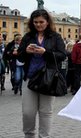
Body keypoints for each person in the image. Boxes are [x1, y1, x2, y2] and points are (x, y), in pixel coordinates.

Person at [17, 9, 66, 137]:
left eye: (41, 22)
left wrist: (46, 52)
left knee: (46, 112)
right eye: (35, 22)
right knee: (28, 112)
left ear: (47, 22)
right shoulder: (28, 37)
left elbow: (62, 55)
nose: (38, 25)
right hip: (30, 78)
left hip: (48, 78)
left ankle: (43, 136)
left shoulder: (55, 37)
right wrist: (26, 52)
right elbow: (20, 58)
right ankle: (29, 135)